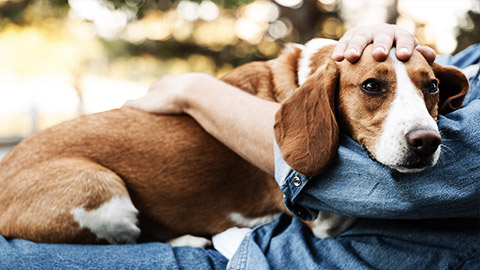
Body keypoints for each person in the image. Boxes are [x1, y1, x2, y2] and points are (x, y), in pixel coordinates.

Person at [1, 24, 478, 269]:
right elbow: (328, 210)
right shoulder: (308, 98)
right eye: (374, 88)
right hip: (58, 191)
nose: (424, 127)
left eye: (429, 88)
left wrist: (191, 88)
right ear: (323, 90)